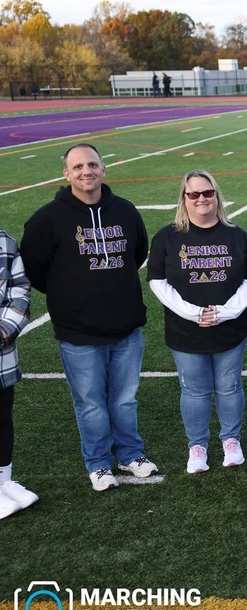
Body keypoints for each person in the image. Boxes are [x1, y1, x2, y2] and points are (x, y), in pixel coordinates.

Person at [21, 143, 157, 491]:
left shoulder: (125, 211)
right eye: (78, 166)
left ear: (104, 169)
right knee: (91, 402)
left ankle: (130, 455)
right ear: (66, 174)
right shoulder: (47, 219)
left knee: (125, 399)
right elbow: (34, 269)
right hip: (77, 331)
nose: (87, 171)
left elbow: (137, 253)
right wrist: (71, 297)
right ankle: (98, 463)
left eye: (92, 165)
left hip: (126, 326)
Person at [148, 170, 247, 474]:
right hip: (186, 330)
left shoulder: (237, 235)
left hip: (230, 329)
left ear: (216, 195)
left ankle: (231, 440)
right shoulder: (167, 236)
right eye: (193, 194)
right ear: (183, 198)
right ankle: (197, 446)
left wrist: (227, 311)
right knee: (195, 390)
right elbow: (157, 281)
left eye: (207, 193)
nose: (201, 199)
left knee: (229, 386)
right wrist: (193, 313)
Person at [0, 230, 38, 518]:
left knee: (2, 417)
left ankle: (3, 482)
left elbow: (20, 291)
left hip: (2, 351)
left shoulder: (5, 241)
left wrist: (3, 330)